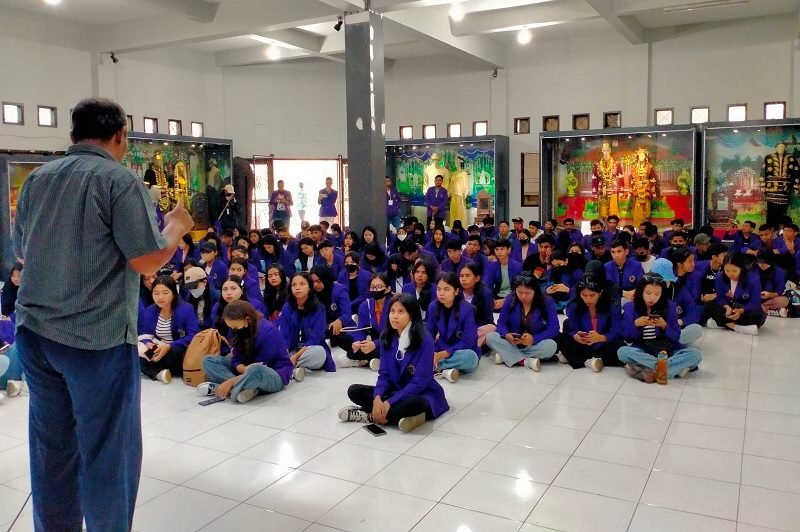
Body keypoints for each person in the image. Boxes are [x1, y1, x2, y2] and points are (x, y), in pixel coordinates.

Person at [12, 98, 195, 530]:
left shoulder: (38, 180)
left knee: (52, 448)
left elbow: (22, 251)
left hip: (36, 336)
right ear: (120, 136)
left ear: (73, 134)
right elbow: (147, 260)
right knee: (108, 452)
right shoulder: (118, 181)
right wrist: (176, 228)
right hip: (95, 340)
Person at [338, 293, 449, 432]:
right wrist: (378, 398)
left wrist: (390, 402)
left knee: (416, 403)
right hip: (394, 390)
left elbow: (420, 382)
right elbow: (384, 374)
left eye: (401, 311)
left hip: (420, 393)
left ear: (411, 314)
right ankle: (397, 417)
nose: (394, 316)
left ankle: (370, 416)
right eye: (392, 311)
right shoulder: (387, 336)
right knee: (354, 391)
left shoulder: (425, 340)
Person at [199, 301, 293, 403]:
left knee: (256, 370)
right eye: (231, 327)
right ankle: (242, 388)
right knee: (208, 360)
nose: (233, 330)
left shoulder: (268, 331)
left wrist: (231, 381)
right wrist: (242, 368)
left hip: (272, 373)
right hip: (246, 369)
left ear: (247, 320)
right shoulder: (237, 328)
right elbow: (235, 358)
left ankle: (227, 388)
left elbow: (263, 365)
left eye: (234, 327)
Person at [618, 274, 702, 382]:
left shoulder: (669, 306)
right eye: (648, 293)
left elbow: (676, 336)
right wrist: (636, 324)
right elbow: (626, 336)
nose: (652, 298)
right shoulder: (629, 307)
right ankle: (670, 369)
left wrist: (664, 326)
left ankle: (649, 369)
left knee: (695, 354)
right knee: (622, 352)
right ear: (641, 292)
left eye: (657, 294)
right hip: (643, 349)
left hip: (666, 349)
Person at [486, 274, 559, 371]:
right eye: (519, 292)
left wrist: (533, 339)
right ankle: (525, 361)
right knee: (491, 337)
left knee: (551, 345)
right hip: (513, 343)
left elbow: (554, 328)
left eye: (527, 293)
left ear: (535, 291)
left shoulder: (547, 302)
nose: (523, 296)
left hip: (534, 344)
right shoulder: (510, 299)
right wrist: (506, 334)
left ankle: (507, 355)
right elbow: (501, 323)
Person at [138, 276, 199, 383]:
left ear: (173, 293)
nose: (160, 297)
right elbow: (146, 335)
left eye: (165, 293)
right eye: (156, 293)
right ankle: (159, 374)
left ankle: (155, 371)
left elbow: (193, 335)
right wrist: (149, 344)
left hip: (178, 349)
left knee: (174, 353)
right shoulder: (150, 310)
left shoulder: (186, 309)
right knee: (136, 357)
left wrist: (170, 346)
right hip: (159, 347)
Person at [558, 273, 623, 372]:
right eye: (584, 295)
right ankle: (592, 361)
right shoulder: (574, 306)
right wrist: (576, 336)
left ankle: (579, 360)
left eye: (592, 295)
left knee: (620, 346)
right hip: (583, 345)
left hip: (604, 344)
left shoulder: (611, 305)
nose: (588, 299)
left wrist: (601, 337)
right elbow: (572, 329)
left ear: (600, 293)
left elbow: (617, 331)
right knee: (561, 337)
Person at [277, 272, 335, 381]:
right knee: (276, 349)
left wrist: (296, 356)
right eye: (294, 285)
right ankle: (293, 369)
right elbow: (285, 335)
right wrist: (285, 352)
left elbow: (316, 338)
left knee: (319, 352)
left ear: (309, 287)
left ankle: (285, 367)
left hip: (309, 351)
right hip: (292, 350)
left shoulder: (319, 308)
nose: (297, 288)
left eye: (302, 284)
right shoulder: (287, 308)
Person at [426, 273, 480, 383]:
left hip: (460, 351)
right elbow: (429, 334)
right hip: (440, 348)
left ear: (456, 291)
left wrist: (443, 354)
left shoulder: (467, 309)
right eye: (439, 289)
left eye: (446, 289)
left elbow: (469, 341)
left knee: (470, 358)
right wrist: (430, 351)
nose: (441, 293)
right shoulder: (433, 307)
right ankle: (448, 370)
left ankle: (436, 366)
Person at [340, 273, 391, 370]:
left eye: (379, 287)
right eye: (372, 287)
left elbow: (396, 335)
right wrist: (358, 343)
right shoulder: (365, 305)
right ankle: (371, 360)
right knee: (350, 349)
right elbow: (361, 329)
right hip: (373, 340)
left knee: (389, 348)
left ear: (388, 289)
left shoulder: (394, 305)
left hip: (390, 341)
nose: (375, 290)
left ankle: (365, 361)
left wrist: (375, 344)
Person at [706, 253, 766, 335]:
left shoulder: (753, 279)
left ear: (741, 268)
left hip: (744, 309)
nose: (730, 274)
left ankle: (721, 322)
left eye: (734, 271)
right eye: (727, 270)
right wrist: (727, 307)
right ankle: (736, 327)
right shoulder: (720, 277)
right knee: (710, 304)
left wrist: (741, 311)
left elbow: (755, 302)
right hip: (729, 308)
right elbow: (720, 298)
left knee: (759, 314)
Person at [459, 263, 496, 348]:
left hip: (477, 327)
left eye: (467, 276)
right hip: (458, 327)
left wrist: (470, 330)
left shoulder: (486, 294)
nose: (463, 279)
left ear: (477, 278)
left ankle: (469, 346)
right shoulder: (456, 291)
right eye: (461, 276)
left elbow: (488, 320)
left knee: (491, 328)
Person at [756, 250, 790, 317]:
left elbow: (779, 292)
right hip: (755, 298)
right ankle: (772, 311)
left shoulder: (780, 272)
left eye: (765, 263)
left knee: (785, 300)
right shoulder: (753, 269)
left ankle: (763, 309)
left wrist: (769, 295)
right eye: (760, 262)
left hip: (771, 299)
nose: (762, 265)